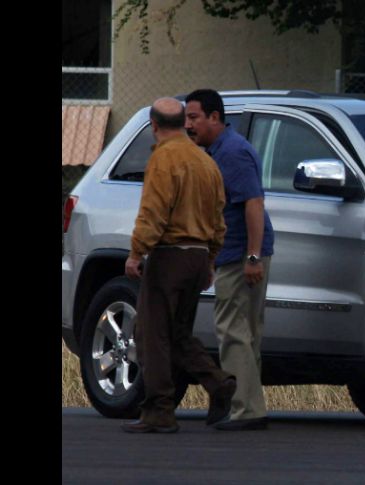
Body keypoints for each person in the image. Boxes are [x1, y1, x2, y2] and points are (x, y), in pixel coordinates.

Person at [121, 97, 237, 433]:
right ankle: (219, 383)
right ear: (184, 123)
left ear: (154, 126)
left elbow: (153, 212)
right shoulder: (205, 162)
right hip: (199, 256)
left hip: (169, 256)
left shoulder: (163, 159)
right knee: (178, 333)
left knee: (151, 334)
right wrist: (211, 259)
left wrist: (136, 252)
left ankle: (159, 410)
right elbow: (219, 218)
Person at [185, 89, 275, 431]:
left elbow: (254, 204)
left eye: (194, 118)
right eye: (186, 119)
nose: (189, 125)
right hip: (237, 253)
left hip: (242, 254)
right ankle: (251, 407)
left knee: (232, 331)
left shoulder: (233, 153)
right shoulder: (218, 150)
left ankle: (245, 410)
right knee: (247, 333)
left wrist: (252, 257)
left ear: (215, 117)